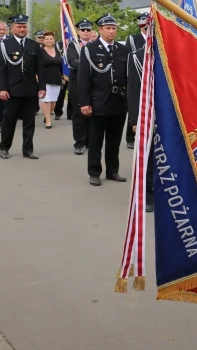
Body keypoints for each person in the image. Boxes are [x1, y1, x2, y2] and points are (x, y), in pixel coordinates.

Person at [77, 13, 130, 186]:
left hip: (118, 101)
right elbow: (83, 78)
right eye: (108, 28)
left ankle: (112, 171)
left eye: (113, 28)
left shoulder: (123, 50)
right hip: (98, 101)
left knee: (114, 141)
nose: (111, 32)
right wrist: (84, 102)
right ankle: (94, 172)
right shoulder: (90, 49)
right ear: (100, 30)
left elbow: (128, 77)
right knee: (95, 140)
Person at [0, 14, 46, 159]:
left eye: (24, 26)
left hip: (30, 90)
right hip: (12, 90)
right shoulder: (5, 45)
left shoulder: (34, 45)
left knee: (29, 122)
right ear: (12, 28)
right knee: (9, 121)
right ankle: (4, 147)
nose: (22, 29)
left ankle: (28, 149)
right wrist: (2, 88)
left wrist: (42, 87)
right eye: (19, 26)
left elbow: (40, 69)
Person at [126, 12, 154, 212]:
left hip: (169, 115)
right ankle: (147, 193)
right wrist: (135, 119)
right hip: (147, 113)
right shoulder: (136, 56)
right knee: (147, 155)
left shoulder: (173, 55)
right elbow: (133, 89)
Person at [66, 18, 94, 154]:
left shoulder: (96, 45)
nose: (86, 32)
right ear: (78, 31)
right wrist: (88, 65)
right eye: (83, 30)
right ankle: (79, 142)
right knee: (79, 115)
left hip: (93, 85)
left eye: (88, 30)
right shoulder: (73, 45)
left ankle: (90, 141)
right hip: (77, 85)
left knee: (92, 114)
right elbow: (72, 61)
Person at [124, 13, 151, 149]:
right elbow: (128, 57)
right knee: (135, 105)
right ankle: (130, 136)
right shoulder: (133, 39)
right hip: (137, 74)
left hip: (150, 76)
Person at [37, 31, 64, 128]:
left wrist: (63, 76)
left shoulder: (58, 51)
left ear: (54, 40)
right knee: (46, 99)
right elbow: (36, 65)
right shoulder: (40, 52)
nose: (49, 40)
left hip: (56, 78)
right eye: (47, 39)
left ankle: (47, 114)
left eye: (51, 39)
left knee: (53, 100)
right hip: (44, 77)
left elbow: (61, 65)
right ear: (43, 40)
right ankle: (48, 121)